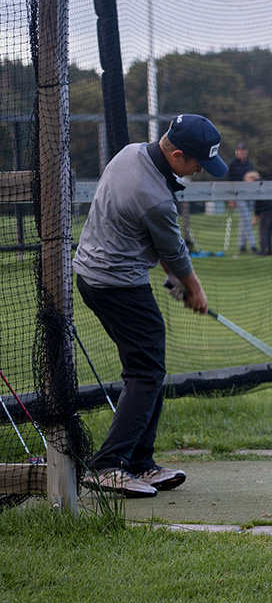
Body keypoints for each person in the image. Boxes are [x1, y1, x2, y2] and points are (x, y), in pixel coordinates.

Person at [74, 114, 228, 497]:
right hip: (116, 284)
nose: (198, 171)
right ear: (176, 154)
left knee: (148, 367)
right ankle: (108, 465)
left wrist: (176, 279)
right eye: (196, 163)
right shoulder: (155, 198)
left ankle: (140, 463)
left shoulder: (129, 154)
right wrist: (194, 290)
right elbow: (173, 253)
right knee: (146, 372)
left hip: (95, 276)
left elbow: (145, 236)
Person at [228, 142, 257, 253]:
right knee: (246, 219)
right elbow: (229, 181)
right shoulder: (232, 164)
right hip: (237, 195)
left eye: (243, 151)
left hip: (249, 195)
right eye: (239, 151)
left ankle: (241, 245)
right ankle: (253, 244)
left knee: (243, 221)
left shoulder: (249, 165)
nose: (241, 153)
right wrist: (231, 197)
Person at [246, 170, 272, 256]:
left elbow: (258, 202)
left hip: (265, 210)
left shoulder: (257, 186)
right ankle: (270, 249)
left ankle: (263, 250)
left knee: (263, 231)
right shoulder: (265, 183)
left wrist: (256, 215)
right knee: (269, 231)